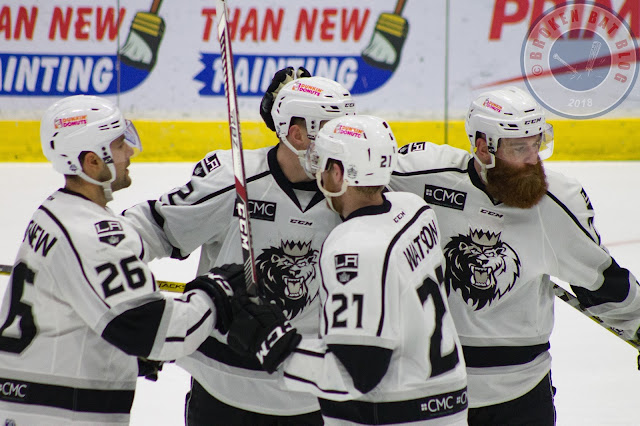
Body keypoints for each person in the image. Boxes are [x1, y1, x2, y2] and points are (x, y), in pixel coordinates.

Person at [388, 86, 640, 425]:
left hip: (522, 392)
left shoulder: (556, 203)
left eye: (536, 144)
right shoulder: (422, 177)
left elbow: (604, 283)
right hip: (436, 387)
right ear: (483, 148)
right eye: (519, 148)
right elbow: (355, 176)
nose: (532, 159)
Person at [123, 70, 356, 424]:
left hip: (306, 392)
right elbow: (153, 227)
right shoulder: (234, 179)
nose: (345, 142)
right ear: (297, 134)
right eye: (331, 130)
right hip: (220, 386)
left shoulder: (353, 194)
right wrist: (110, 280)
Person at [0, 95, 245, 425]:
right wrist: (215, 293)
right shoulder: (95, 236)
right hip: (62, 413)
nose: (130, 151)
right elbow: (153, 329)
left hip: (29, 402)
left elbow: (75, 313)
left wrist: (118, 349)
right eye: (118, 145)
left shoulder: (53, 212)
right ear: (92, 162)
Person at [254, 114, 469, 425]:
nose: (317, 173)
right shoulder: (416, 209)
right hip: (449, 406)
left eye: (322, 163)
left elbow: (358, 373)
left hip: (394, 415)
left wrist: (269, 341)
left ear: (338, 172)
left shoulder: (351, 246)